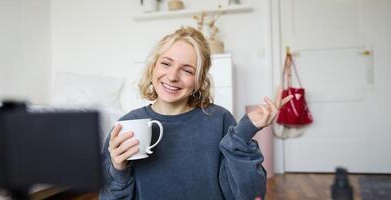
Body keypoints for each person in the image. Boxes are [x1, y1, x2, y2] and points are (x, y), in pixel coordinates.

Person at [100, 27, 291, 200]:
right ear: (153, 67)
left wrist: (242, 134)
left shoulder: (219, 120)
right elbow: (109, 196)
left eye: (187, 70)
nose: (173, 76)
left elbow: (249, 195)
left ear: (199, 81)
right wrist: (119, 169)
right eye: (166, 64)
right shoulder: (127, 124)